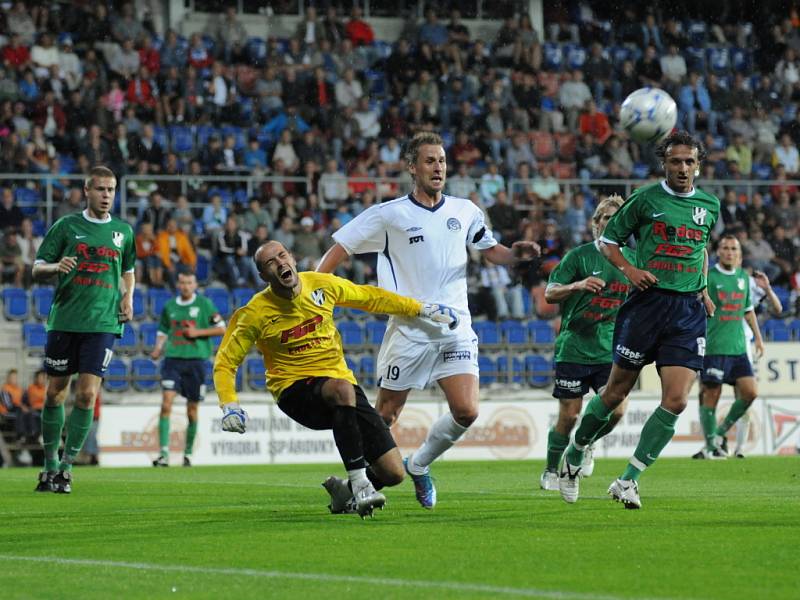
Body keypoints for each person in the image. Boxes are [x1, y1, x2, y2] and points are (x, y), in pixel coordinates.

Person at [316, 131, 540, 509]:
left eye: (442, 161)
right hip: (409, 330)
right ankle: (360, 483)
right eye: (430, 161)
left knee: (467, 410)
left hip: (454, 329)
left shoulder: (465, 210)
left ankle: (418, 465)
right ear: (412, 168)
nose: (438, 168)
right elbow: (340, 248)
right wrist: (316, 289)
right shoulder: (390, 215)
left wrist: (515, 254)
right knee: (385, 416)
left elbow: (492, 251)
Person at [213, 240, 459, 518]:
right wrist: (229, 404)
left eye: (282, 256)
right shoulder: (254, 313)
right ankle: (360, 485)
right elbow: (225, 361)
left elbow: (370, 297)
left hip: (342, 387)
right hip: (294, 390)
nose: (280, 263)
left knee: (393, 472)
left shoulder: (321, 284)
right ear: (263, 275)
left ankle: (344, 491)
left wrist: (421, 309)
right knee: (341, 389)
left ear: (292, 258)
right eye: (271, 262)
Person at [559, 131, 720, 509]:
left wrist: (705, 289)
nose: (683, 168)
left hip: (687, 311)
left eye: (689, 161)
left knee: (677, 400)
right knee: (615, 395)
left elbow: (701, 248)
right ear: (664, 162)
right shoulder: (646, 199)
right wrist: (630, 270)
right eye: (676, 161)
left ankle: (627, 480)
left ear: (699, 164)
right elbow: (608, 242)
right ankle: (577, 449)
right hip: (647, 306)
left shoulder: (710, 205)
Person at [32, 165, 136, 493]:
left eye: (111, 190)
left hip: (103, 323)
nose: (106, 196)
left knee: (88, 393)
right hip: (65, 320)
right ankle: (48, 465)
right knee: (55, 392)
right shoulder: (66, 227)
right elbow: (36, 269)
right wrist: (54, 266)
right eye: (101, 190)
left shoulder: (123, 232)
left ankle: (66, 467)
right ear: (87, 191)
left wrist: (128, 296)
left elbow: (128, 270)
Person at [539, 195, 633, 491]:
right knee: (569, 416)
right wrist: (578, 285)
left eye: (616, 220)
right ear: (595, 224)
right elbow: (550, 293)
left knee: (616, 410)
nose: (610, 224)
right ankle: (551, 470)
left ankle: (586, 442)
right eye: (605, 218)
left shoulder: (632, 260)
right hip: (574, 347)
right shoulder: (579, 257)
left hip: (608, 349)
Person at [692, 235, 766, 460]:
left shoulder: (743, 278)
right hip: (714, 346)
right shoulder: (709, 277)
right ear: (718, 252)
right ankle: (710, 446)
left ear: (739, 254)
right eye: (725, 248)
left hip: (738, 348)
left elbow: (748, 310)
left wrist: (759, 338)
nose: (729, 252)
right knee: (710, 394)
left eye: (734, 249)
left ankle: (717, 435)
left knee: (750, 393)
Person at [150, 270, 225, 467]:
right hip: (173, 360)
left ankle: (188, 453)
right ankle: (163, 454)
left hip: (196, 362)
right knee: (166, 403)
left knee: (192, 410)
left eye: (189, 283)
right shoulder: (170, 306)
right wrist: (158, 347)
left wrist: (197, 332)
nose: (185, 286)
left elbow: (222, 328)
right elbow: (163, 329)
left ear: (195, 285)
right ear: (178, 284)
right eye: (182, 282)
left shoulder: (204, 304)